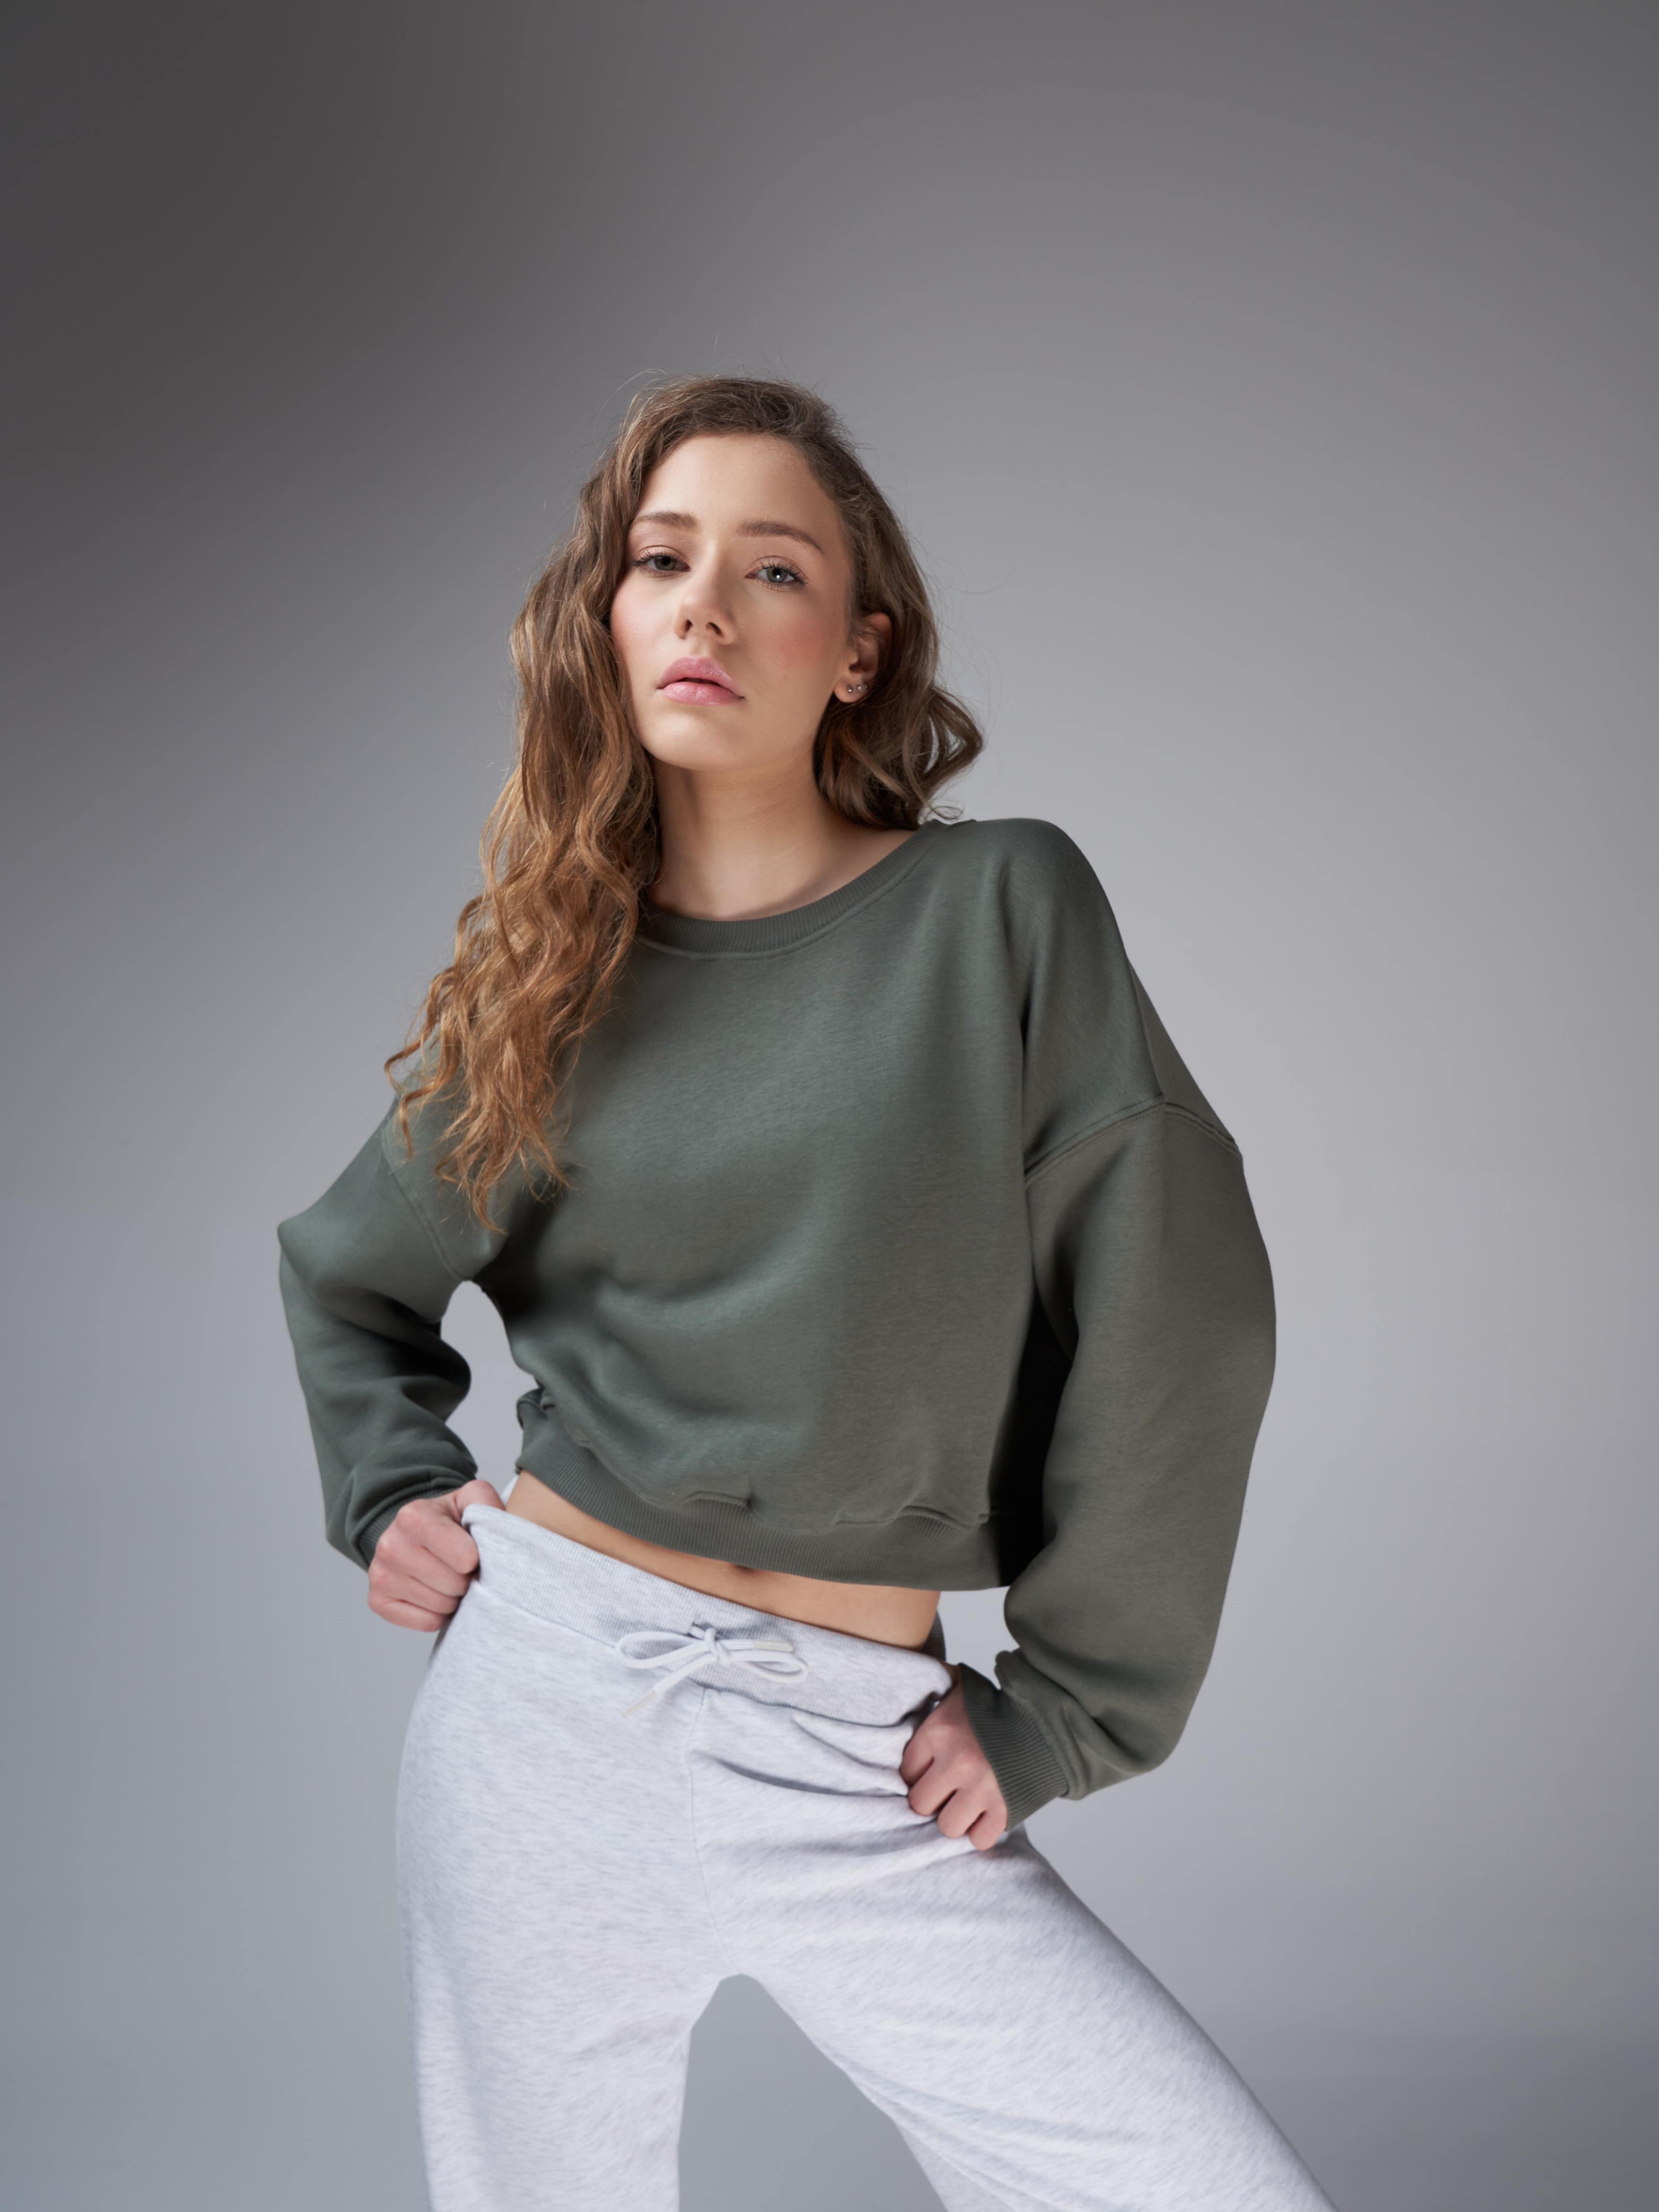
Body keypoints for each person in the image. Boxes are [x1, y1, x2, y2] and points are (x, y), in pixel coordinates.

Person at [276, 374, 1337, 2212]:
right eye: (660, 560)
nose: (703, 605)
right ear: (607, 621)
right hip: (548, 1712)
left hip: (861, 1746)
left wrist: (1069, 1710)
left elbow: (1183, 1309)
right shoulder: (551, 982)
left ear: (859, 649)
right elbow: (345, 1275)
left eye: (770, 570)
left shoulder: (998, 913)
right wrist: (389, 1490)